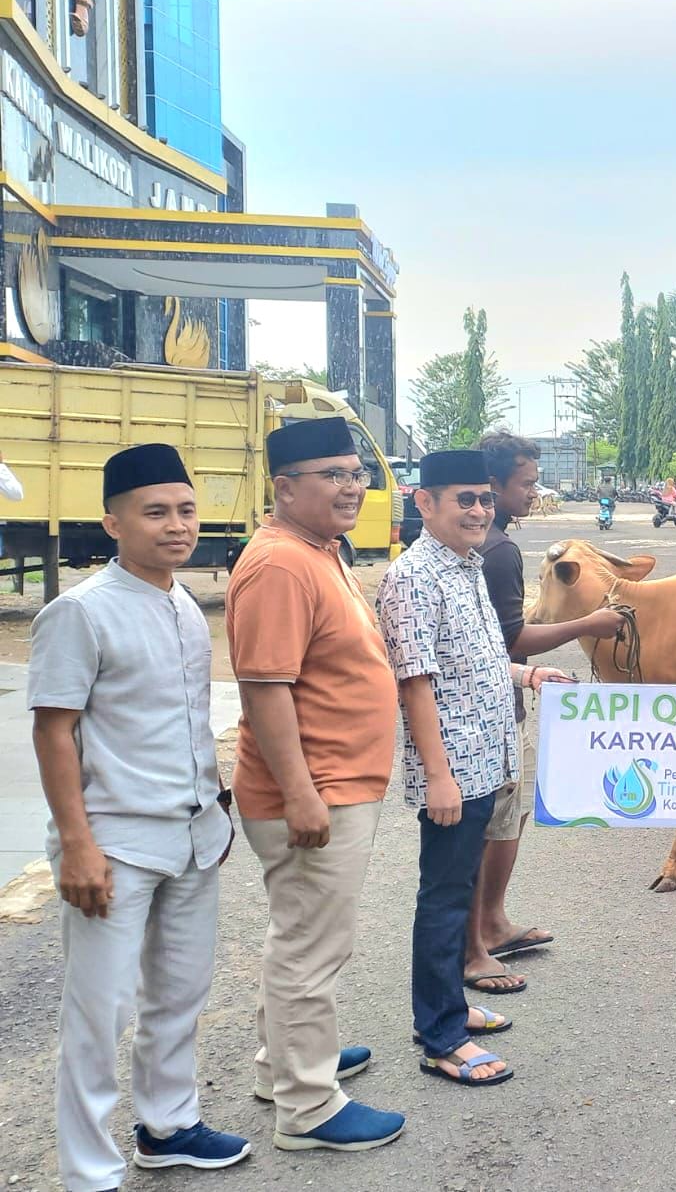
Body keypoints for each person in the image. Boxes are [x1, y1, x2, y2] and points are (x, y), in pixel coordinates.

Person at [31, 444, 250, 1190]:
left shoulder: (185, 605)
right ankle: (89, 1172)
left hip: (191, 836)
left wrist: (213, 806)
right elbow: (53, 730)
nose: (176, 526)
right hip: (115, 842)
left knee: (181, 992)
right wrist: (77, 847)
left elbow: (187, 721)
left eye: (185, 510)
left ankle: (169, 1125)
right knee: (100, 1012)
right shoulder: (80, 612)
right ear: (112, 522)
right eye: (155, 512)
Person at [227, 417, 404, 1152]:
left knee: (301, 934)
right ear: (285, 488)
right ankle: (307, 1108)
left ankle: (287, 1066)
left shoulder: (318, 551)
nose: (352, 486)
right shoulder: (278, 565)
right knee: (311, 946)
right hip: (314, 791)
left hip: (335, 782)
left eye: (357, 473)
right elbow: (265, 689)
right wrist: (300, 793)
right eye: (333, 474)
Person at [378, 449, 564, 1087]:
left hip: (489, 760)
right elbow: (416, 681)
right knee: (444, 897)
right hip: (455, 769)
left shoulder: (466, 567)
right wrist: (438, 774)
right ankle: (440, 1039)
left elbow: (478, 661)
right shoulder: (413, 578)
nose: (480, 510)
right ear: (425, 503)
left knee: (456, 894)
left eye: (485, 499)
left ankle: (447, 1011)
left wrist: (529, 672)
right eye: (465, 499)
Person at [465, 432, 625, 994]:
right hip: (491, 706)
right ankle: (477, 940)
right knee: (494, 818)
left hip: (491, 697)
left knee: (507, 813)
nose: (534, 492)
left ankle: (492, 923)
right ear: (492, 487)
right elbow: (513, 638)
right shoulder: (498, 550)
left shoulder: (480, 545)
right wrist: (588, 625)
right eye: (527, 484)